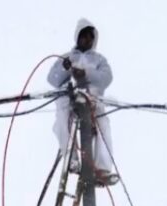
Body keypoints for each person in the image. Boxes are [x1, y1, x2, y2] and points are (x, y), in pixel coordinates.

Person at [46, 18, 117, 184]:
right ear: (77, 37)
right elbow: (52, 79)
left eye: (90, 36)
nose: (87, 40)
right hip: (70, 99)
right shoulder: (68, 57)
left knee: (103, 125)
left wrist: (86, 74)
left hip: (92, 99)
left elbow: (106, 78)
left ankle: (103, 168)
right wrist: (65, 69)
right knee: (62, 122)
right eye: (84, 36)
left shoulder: (99, 59)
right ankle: (72, 160)